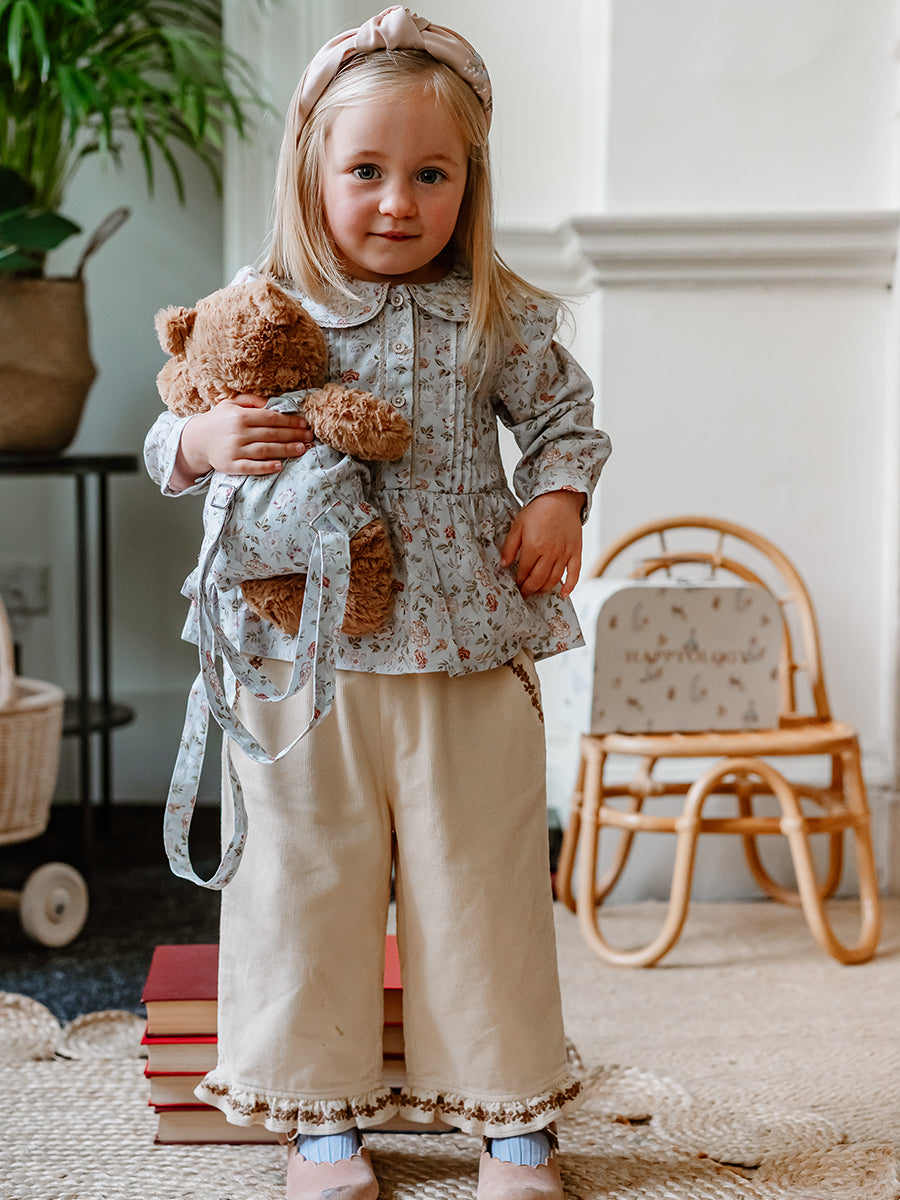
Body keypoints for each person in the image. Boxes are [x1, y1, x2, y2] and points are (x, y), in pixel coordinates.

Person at [144, 8, 611, 1199]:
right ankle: (320, 1120)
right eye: (366, 171)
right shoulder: (264, 306)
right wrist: (200, 440)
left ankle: (510, 1115)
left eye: (431, 175)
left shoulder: (495, 315)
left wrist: (558, 500)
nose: (398, 202)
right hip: (298, 658)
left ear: (469, 183)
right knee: (304, 878)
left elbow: (565, 421)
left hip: (466, 645)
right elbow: (167, 431)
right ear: (313, 172)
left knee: (481, 882)